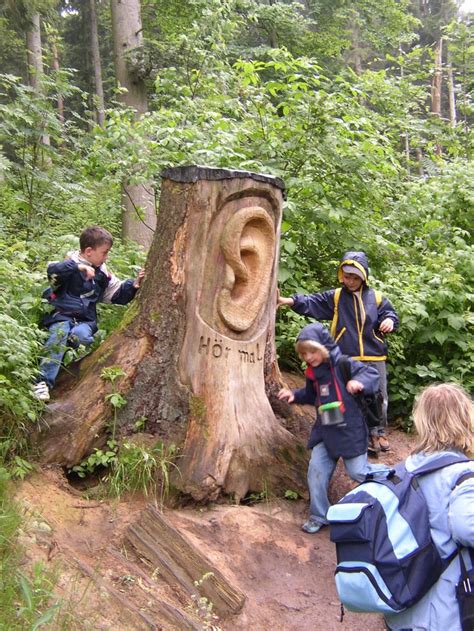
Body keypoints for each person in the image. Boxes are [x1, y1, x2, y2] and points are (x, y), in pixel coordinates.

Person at [278, 250, 398, 454]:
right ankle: (356, 436)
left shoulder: (376, 298)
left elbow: (390, 314)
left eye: (354, 277)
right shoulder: (335, 297)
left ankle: (378, 431)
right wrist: (290, 301)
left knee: (378, 396)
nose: (349, 281)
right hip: (347, 357)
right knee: (348, 397)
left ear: (363, 276)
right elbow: (312, 302)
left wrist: (389, 321)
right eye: (346, 276)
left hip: (374, 355)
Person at [277, 322, 387, 534]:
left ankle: (391, 477)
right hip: (325, 429)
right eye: (304, 353)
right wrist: (294, 396)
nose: (309, 357)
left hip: (349, 428)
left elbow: (371, 375)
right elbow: (311, 395)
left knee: (358, 472)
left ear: (323, 347)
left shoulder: (343, 364)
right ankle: (320, 515)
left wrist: (358, 382)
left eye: (312, 351)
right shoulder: (312, 373)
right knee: (315, 472)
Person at [384, 383, 474, 631]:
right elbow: (467, 527)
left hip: (404, 604)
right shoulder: (464, 475)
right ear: (465, 418)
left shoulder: (406, 468)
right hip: (445, 611)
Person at [33, 226, 144, 401]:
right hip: (62, 315)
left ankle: (61, 359)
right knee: (59, 334)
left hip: (85, 321)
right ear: (89, 251)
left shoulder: (102, 273)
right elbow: (53, 272)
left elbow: (115, 294)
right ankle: (43, 382)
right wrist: (78, 268)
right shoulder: (68, 265)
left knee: (81, 338)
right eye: (104, 253)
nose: (106, 257)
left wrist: (134, 285)